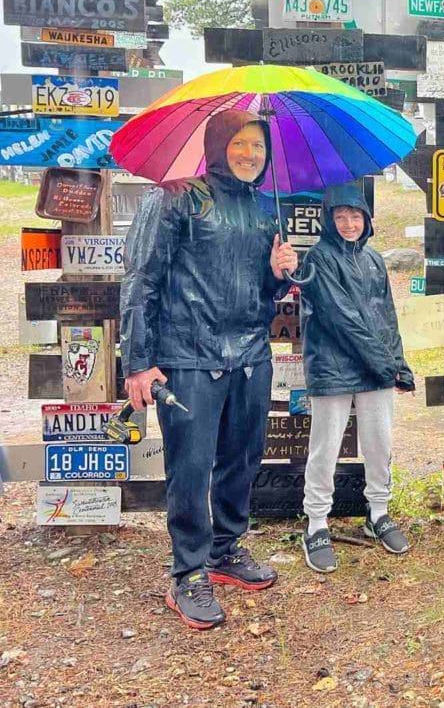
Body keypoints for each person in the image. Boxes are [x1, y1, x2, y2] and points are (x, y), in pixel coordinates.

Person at [121, 109, 297, 630]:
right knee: (191, 467)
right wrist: (139, 362)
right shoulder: (174, 198)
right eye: (240, 144)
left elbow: (264, 298)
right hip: (187, 358)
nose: (250, 154)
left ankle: (225, 550)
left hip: (250, 358)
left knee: (242, 460)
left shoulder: (267, 212)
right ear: (218, 145)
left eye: (258, 147)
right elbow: (141, 281)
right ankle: (188, 573)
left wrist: (277, 276)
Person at [298, 183, 415, 573]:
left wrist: (400, 363)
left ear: (366, 219)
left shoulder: (375, 260)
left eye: (355, 216)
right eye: (340, 216)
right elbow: (340, 318)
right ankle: (316, 522)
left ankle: (378, 512)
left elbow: (387, 317)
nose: (349, 223)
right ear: (328, 221)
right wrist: (386, 366)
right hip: (333, 367)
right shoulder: (317, 259)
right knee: (325, 446)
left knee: (379, 442)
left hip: (376, 366)